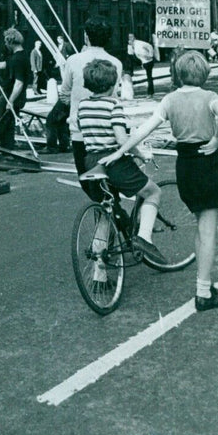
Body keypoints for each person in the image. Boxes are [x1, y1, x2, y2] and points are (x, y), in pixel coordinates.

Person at [101, 49, 218, 312]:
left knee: (201, 225)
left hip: (185, 165)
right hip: (209, 162)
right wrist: (216, 139)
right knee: (208, 230)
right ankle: (203, 292)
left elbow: (144, 129)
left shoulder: (170, 100)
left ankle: (204, 287)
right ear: (204, 72)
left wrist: (120, 151)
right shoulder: (210, 96)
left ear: (178, 73)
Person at [77, 59, 165, 265]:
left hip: (91, 161)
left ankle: (98, 271)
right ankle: (144, 238)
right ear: (111, 85)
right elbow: (121, 140)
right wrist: (141, 153)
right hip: (114, 162)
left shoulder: (83, 105)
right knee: (153, 192)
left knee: (105, 212)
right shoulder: (113, 105)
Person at [58, 15, 122, 196]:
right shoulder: (116, 63)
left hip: (81, 132)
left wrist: (77, 108)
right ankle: (117, 220)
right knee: (110, 184)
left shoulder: (73, 61)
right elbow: (113, 96)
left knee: (88, 182)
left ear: (86, 36)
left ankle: (114, 220)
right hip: (108, 132)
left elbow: (64, 94)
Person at [0, 27, 32, 150]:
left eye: (6, 42)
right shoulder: (20, 56)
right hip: (15, 96)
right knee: (8, 124)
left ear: (10, 41)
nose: (5, 45)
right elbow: (5, 64)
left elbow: (19, 83)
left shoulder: (18, 59)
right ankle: (7, 148)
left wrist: (10, 101)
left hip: (11, 96)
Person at [128, 32, 155, 97]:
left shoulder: (139, 43)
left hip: (149, 61)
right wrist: (130, 47)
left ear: (134, 37)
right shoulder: (131, 45)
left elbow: (150, 46)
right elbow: (130, 54)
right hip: (143, 62)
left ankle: (150, 93)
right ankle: (151, 92)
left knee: (149, 77)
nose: (130, 39)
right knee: (149, 77)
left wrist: (150, 55)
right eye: (129, 37)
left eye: (131, 37)